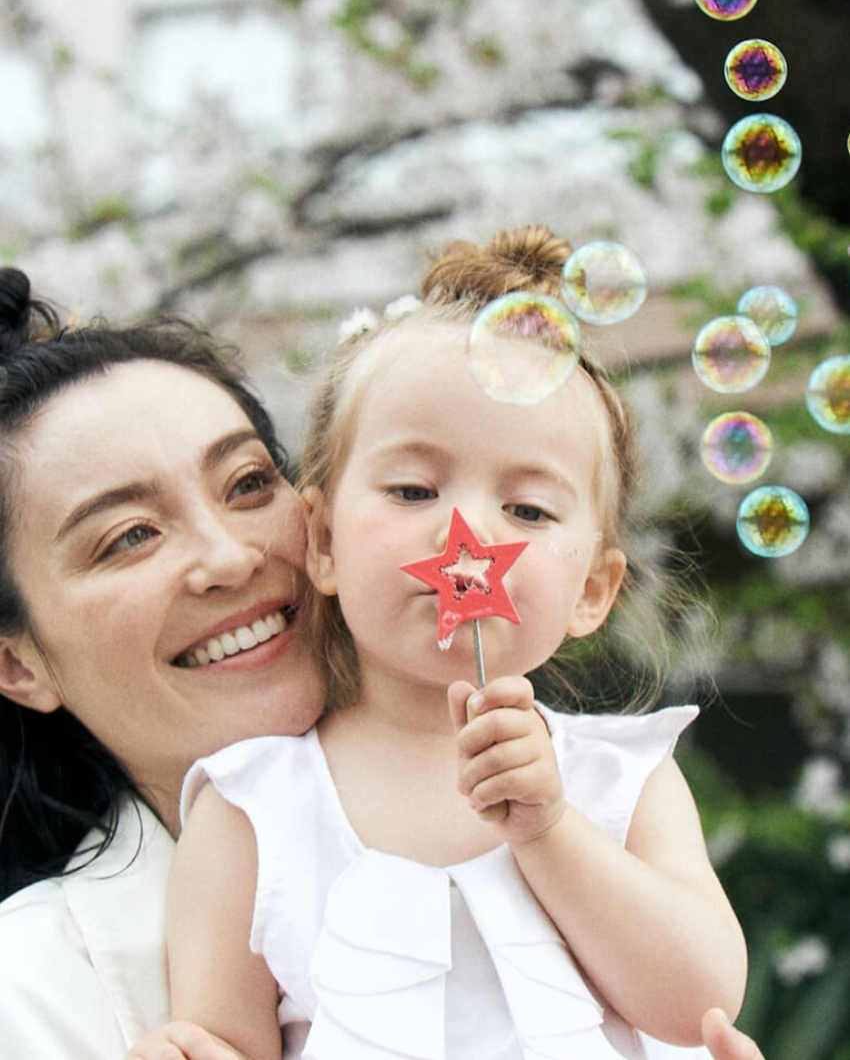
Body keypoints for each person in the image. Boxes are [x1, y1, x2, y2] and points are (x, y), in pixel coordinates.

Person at [130, 225, 748, 1060]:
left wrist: (550, 829)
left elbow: (701, 1004)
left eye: (529, 510)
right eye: (414, 488)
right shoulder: (254, 810)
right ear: (320, 542)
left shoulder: (622, 780)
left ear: (593, 591)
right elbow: (224, 1037)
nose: (467, 534)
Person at [0, 267, 327, 1057]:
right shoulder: (25, 998)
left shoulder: (580, 817)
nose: (228, 557)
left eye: (249, 483)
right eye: (129, 536)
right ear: (18, 666)